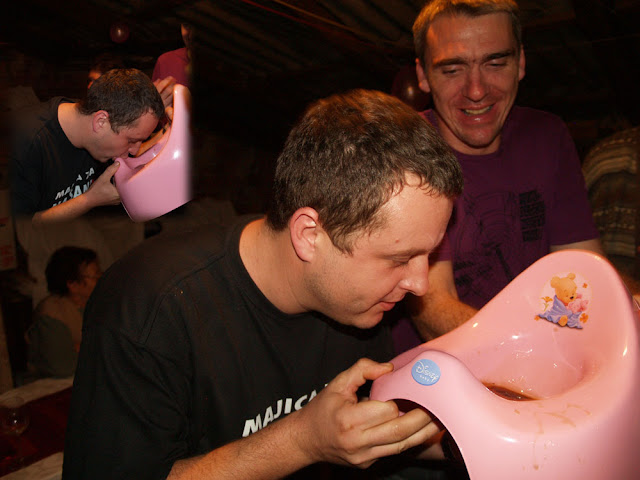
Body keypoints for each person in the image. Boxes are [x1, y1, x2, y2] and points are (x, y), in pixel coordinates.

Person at [62, 89, 464, 479]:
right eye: (399, 259)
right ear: (309, 235)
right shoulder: (149, 305)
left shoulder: (364, 305)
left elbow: (370, 436)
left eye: (428, 255)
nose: (419, 284)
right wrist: (302, 441)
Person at [402, 0, 610, 344]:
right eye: (452, 70)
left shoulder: (548, 135)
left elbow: (581, 269)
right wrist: (536, 349)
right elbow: (433, 309)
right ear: (423, 75)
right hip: (434, 369)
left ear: (521, 63)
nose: (476, 90)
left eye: (496, 63)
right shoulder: (403, 149)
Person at [9, 68, 165, 225]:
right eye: (131, 141)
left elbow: (133, 159)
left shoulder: (93, 123)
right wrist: (89, 199)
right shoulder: (25, 144)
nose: (135, 149)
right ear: (101, 122)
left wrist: (165, 134)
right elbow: (21, 228)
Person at [27, 246, 101, 378]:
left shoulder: (100, 304)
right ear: (73, 284)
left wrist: (81, 347)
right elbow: (63, 366)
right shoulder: (52, 313)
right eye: (95, 276)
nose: (101, 278)